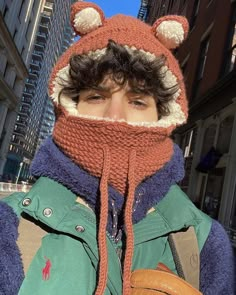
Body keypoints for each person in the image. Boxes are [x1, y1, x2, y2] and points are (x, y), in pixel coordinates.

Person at [0, 1, 234, 294]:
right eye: (97, 96)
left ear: (163, 115)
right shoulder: (10, 226)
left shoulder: (204, 241)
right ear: (69, 104)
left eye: (137, 101)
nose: (115, 116)